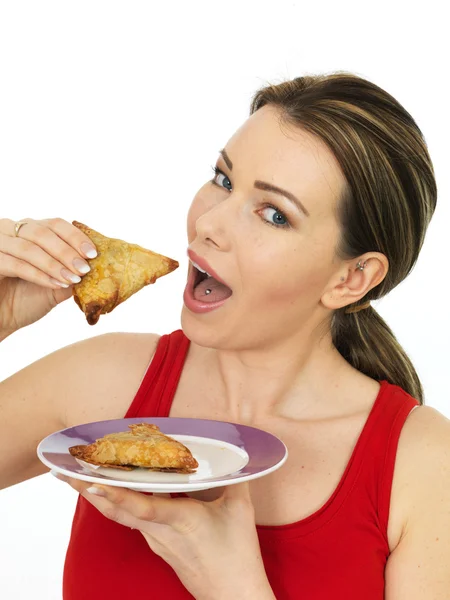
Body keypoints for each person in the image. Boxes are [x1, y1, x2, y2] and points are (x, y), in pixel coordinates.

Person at [0, 72, 448, 600]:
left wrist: (231, 586)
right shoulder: (103, 382)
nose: (210, 221)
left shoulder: (424, 466)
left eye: (275, 214)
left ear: (351, 278)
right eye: (224, 179)